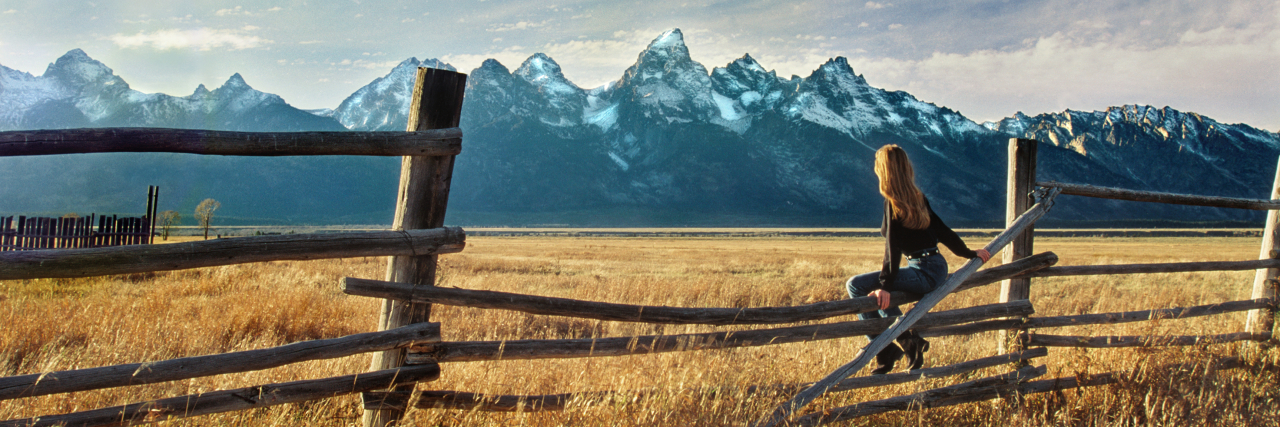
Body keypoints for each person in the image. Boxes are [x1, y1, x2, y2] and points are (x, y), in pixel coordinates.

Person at [845, 144, 991, 374]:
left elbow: (891, 249)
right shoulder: (917, 197)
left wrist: (885, 286)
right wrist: (968, 252)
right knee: (883, 298)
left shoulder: (891, 202)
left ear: (884, 170)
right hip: (935, 267)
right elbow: (943, 231)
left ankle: (890, 347)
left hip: (922, 271)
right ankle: (901, 344)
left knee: (855, 285)